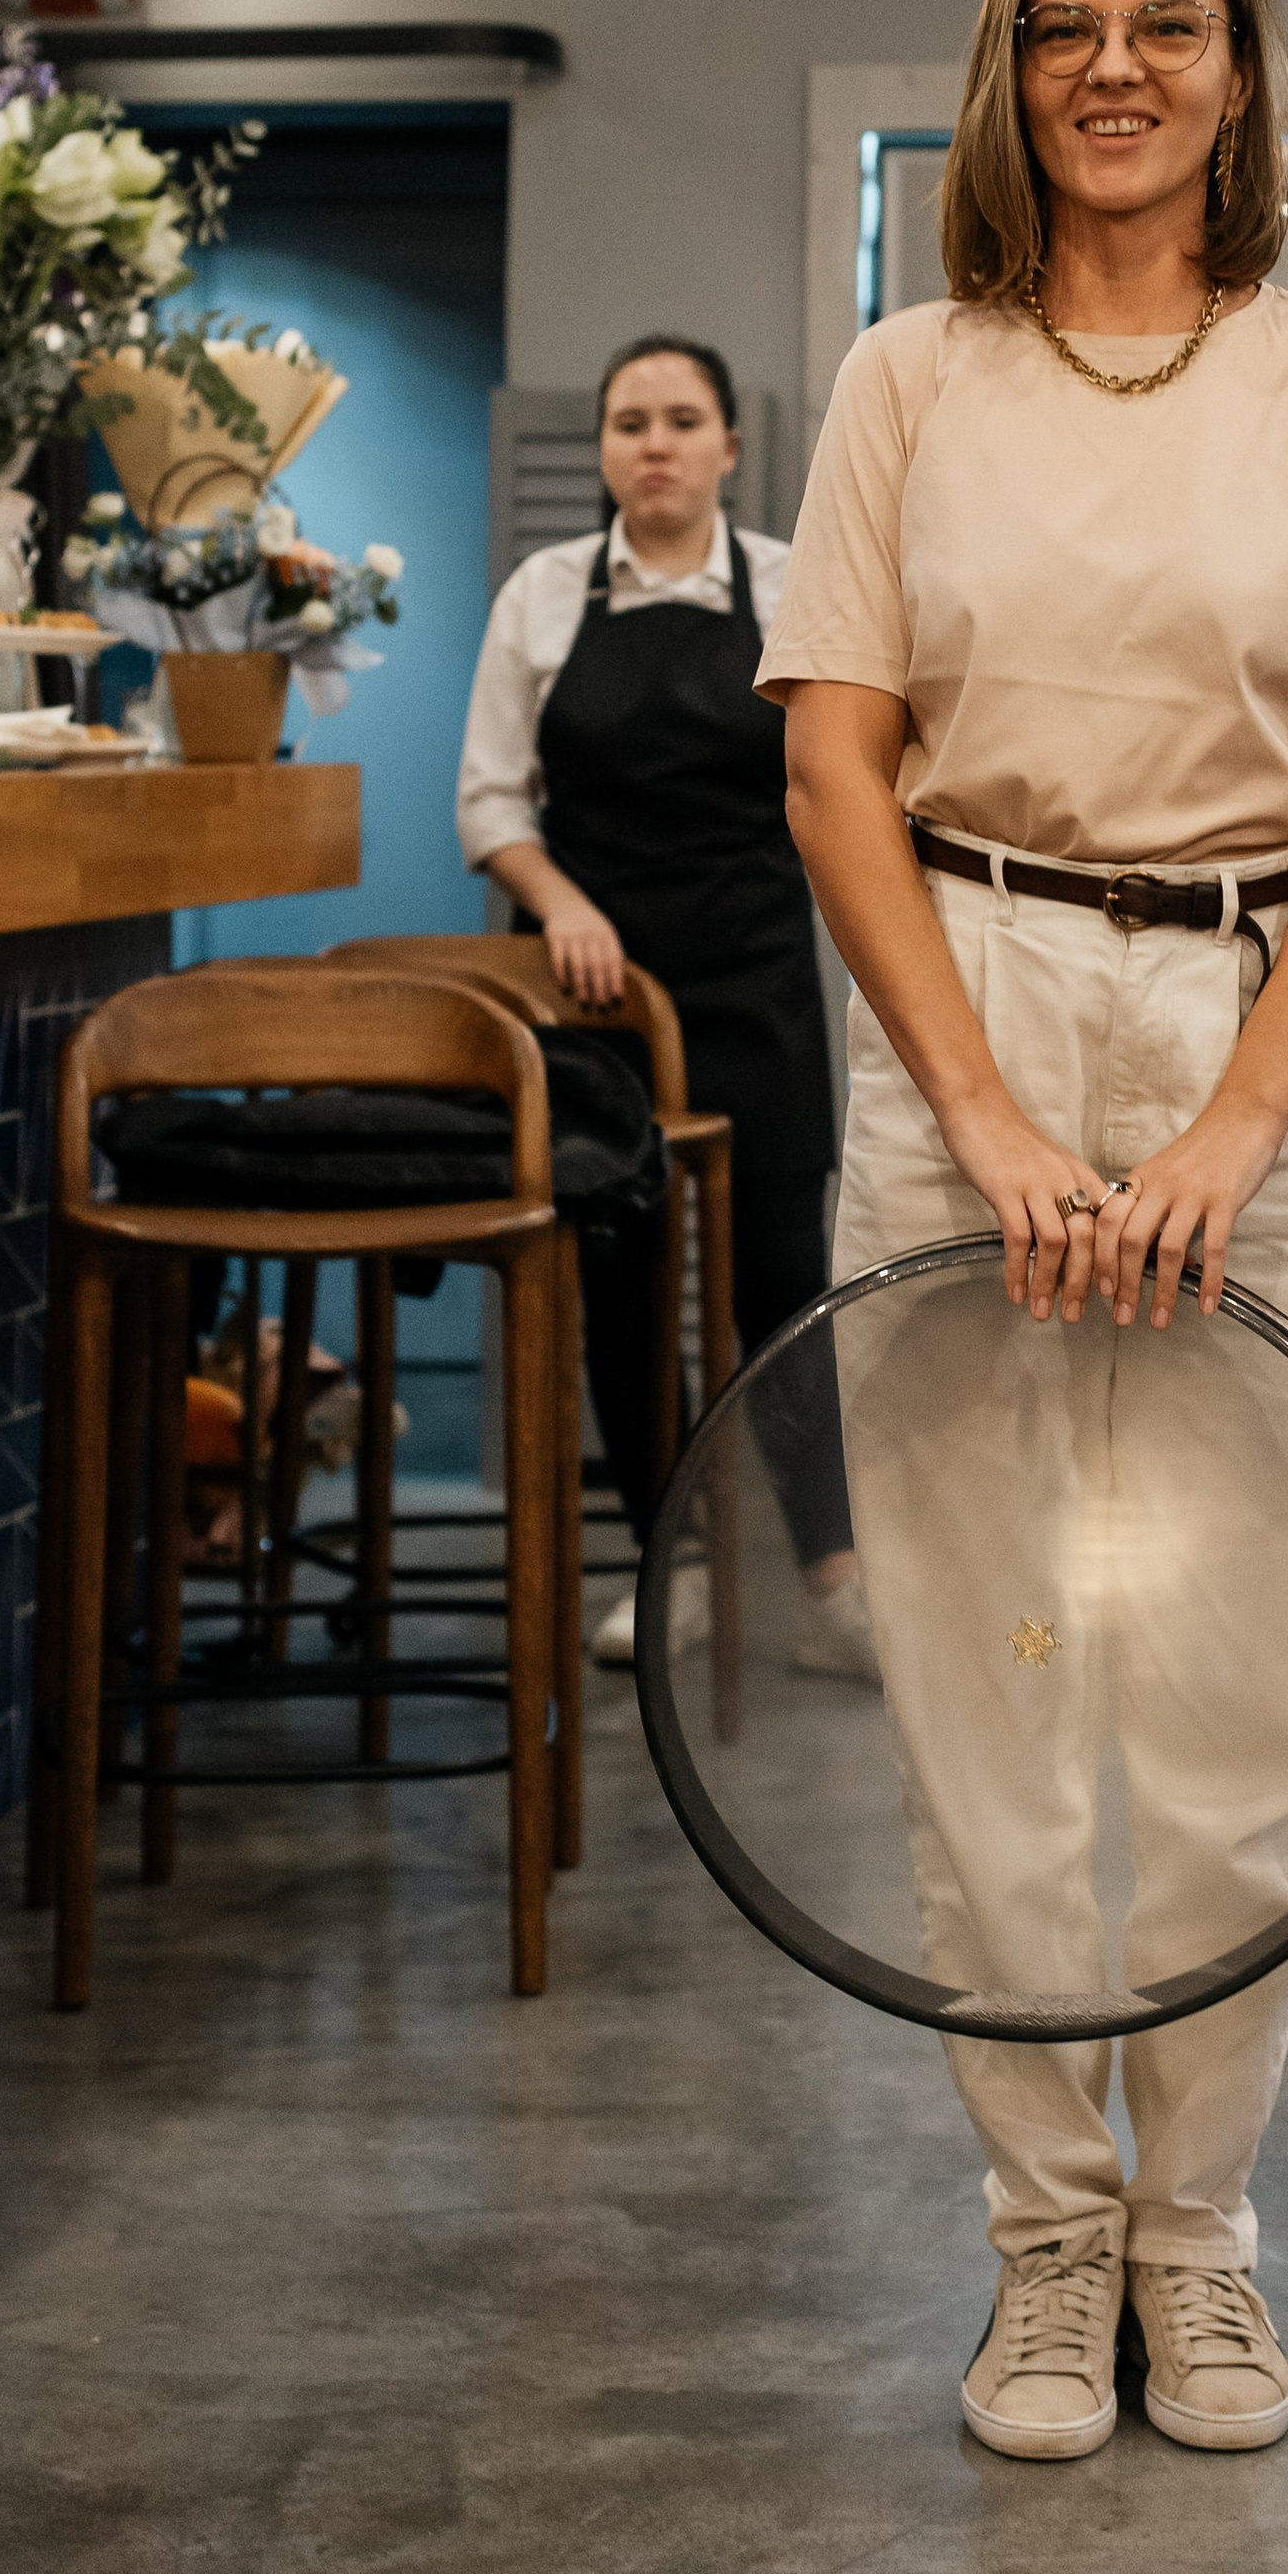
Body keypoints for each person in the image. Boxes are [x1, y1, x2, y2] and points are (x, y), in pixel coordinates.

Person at [759, 0, 1288, 2459]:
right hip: (960, 1004)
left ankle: (1207, 2237)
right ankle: (1047, 2252)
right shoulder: (905, 379)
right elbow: (837, 763)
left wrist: (1237, 1112)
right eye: (1070, 28)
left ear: (1239, 75)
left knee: (1240, 1715)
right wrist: (980, 1114)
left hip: (1257, 1025)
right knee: (984, 1698)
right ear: (1011, 69)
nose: (1117, 69)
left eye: (1167, 27)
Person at [458, 333, 869, 1677]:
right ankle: (670, 1563)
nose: (654, 443)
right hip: (590, 992)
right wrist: (559, 902)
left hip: (754, 975)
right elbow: (491, 803)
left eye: (682, 419)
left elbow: (846, 783)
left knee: (780, 1285)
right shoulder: (540, 595)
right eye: (629, 420)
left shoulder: (796, 588)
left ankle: (833, 1572)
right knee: (624, 1277)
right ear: (602, 450)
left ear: (729, 447)